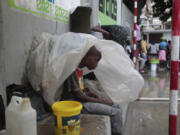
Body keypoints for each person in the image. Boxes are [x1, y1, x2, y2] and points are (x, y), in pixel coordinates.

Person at [61, 46, 123, 135]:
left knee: (117, 106)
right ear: (86, 57)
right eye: (96, 60)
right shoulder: (72, 70)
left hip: (81, 101)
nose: (97, 64)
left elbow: (80, 91)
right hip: (75, 105)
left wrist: (90, 94)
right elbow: (79, 96)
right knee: (115, 112)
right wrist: (102, 101)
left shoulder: (79, 70)